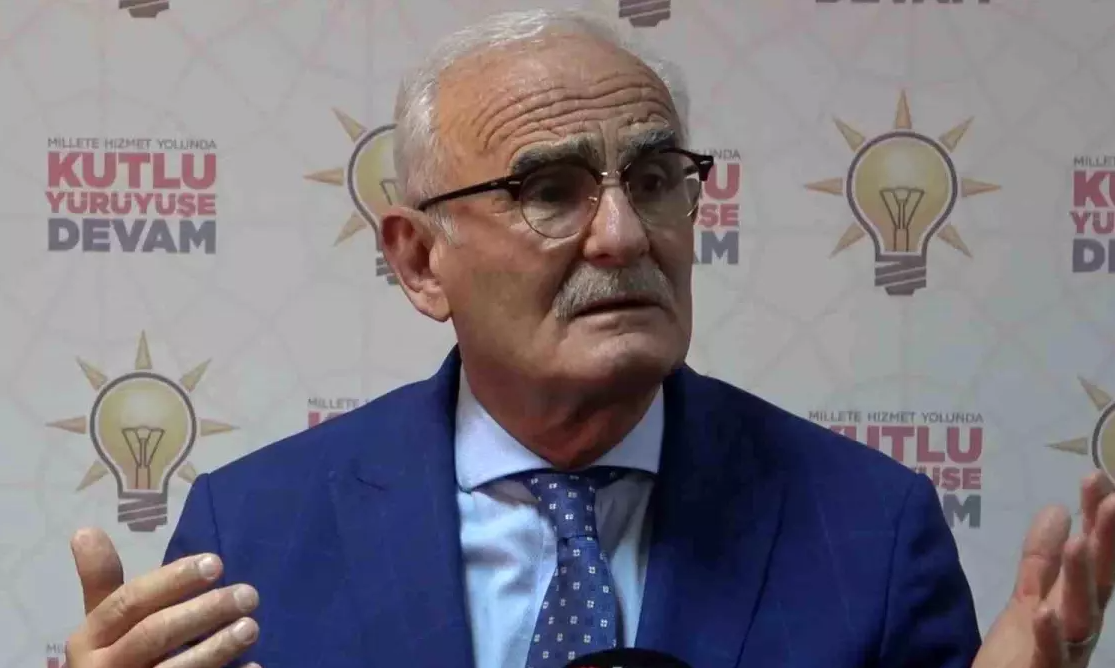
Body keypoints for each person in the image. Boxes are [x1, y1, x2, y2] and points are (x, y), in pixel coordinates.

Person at [63, 9, 1115, 668]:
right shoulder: (253, 528)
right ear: (419, 261)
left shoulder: (870, 529)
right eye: (550, 190)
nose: (621, 235)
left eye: (653, 179)